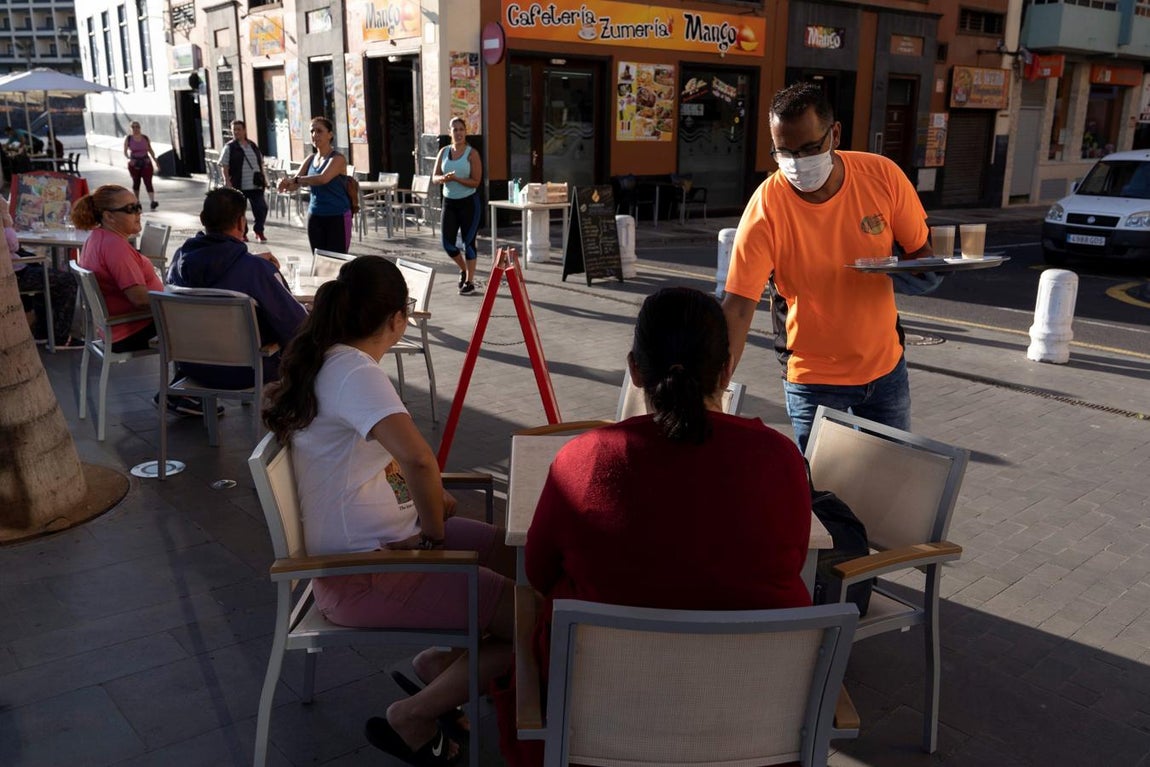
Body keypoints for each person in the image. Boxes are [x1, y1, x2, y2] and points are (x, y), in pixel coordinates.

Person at [496, 286, 813, 767]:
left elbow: (538, 575)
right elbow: (789, 561)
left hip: (599, 727)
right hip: (750, 725)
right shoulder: (781, 458)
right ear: (727, 370)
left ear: (635, 370)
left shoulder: (583, 461)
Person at [262, 255, 516, 766]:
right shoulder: (354, 372)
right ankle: (415, 713)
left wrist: (432, 513)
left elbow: (402, 469)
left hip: (374, 551)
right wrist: (434, 541)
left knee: (511, 551)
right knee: (534, 618)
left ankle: (443, 665)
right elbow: (420, 462)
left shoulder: (333, 361)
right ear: (399, 318)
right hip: (364, 574)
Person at [722, 81, 932, 452]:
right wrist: (713, 390)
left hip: (885, 370)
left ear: (834, 133)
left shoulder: (881, 176)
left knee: (892, 487)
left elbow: (921, 254)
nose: (797, 164)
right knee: (825, 495)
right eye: (784, 153)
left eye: (808, 149)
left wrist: (923, 274)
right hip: (812, 378)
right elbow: (738, 306)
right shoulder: (767, 207)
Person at [73, 184, 214, 417]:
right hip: (130, 329)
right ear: (108, 216)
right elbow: (138, 298)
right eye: (131, 209)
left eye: (138, 206)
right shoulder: (115, 247)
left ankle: (183, 390)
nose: (139, 212)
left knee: (191, 319)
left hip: (116, 327)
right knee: (203, 325)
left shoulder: (97, 238)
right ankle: (180, 393)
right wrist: (178, 301)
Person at [166, 187, 307, 388]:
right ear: (242, 222)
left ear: (202, 218)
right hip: (248, 370)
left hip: (192, 366)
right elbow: (296, 325)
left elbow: (217, 271)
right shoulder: (256, 270)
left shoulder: (180, 259)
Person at [4, 196, 78, 348]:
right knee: (67, 280)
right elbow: (11, 244)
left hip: (16, 270)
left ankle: (43, 331)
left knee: (45, 275)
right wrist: (6, 220)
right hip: (14, 275)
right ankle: (60, 337)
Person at [277, 117, 350, 253]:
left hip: (337, 216)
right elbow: (294, 185)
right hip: (315, 216)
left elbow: (323, 179)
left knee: (336, 262)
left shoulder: (337, 158)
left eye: (319, 131)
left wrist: (296, 180)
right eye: (312, 131)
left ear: (330, 135)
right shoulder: (310, 158)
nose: (314, 135)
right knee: (318, 261)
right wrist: (285, 183)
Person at [432, 116, 483, 295]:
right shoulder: (444, 152)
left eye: (461, 129)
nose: (459, 133)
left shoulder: (472, 153)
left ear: (465, 132)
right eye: (455, 129)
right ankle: (463, 269)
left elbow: (476, 182)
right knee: (448, 244)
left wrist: (456, 179)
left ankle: (469, 281)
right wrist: (443, 179)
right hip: (449, 202)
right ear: (450, 132)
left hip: (469, 203)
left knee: (468, 243)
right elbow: (434, 177)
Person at [219, 119, 269, 243]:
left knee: (261, 208)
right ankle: (243, 233)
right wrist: (227, 182)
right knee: (240, 212)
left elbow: (260, 163)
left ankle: (259, 230)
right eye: (234, 130)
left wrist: (264, 179)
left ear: (244, 130)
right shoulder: (229, 147)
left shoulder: (252, 145)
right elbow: (224, 165)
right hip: (238, 184)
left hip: (255, 185)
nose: (236, 132)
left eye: (239, 129)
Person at [123, 121, 159, 210]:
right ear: (130, 129)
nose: (136, 129)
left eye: (137, 127)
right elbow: (125, 151)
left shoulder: (145, 138)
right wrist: (129, 159)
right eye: (133, 127)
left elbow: (150, 149)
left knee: (148, 181)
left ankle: (152, 201)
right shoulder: (129, 139)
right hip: (134, 163)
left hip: (146, 162)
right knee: (136, 182)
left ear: (140, 128)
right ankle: (137, 201)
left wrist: (155, 161)